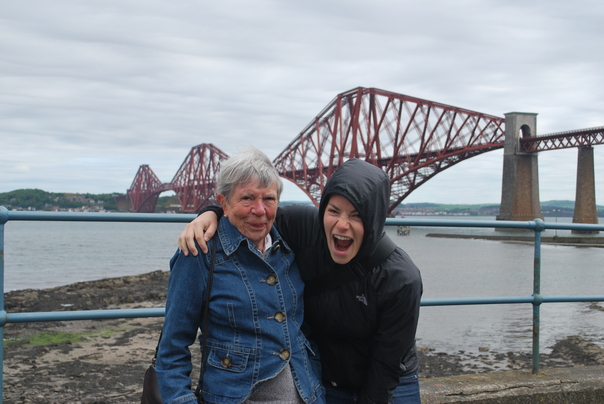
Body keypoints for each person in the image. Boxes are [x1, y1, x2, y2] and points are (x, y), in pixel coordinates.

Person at [179, 158, 423, 404]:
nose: (342, 224)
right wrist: (209, 215)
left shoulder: (400, 279)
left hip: (391, 385)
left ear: (375, 220)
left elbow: (385, 368)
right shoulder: (304, 227)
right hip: (326, 383)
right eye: (333, 211)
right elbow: (251, 215)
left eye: (357, 215)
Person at [156, 147, 325, 404]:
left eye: (269, 199)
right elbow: (171, 349)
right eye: (247, 198)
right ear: (223, 202)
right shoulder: (200, 254)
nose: (259, 210)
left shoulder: (289, 246)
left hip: (309, 395)